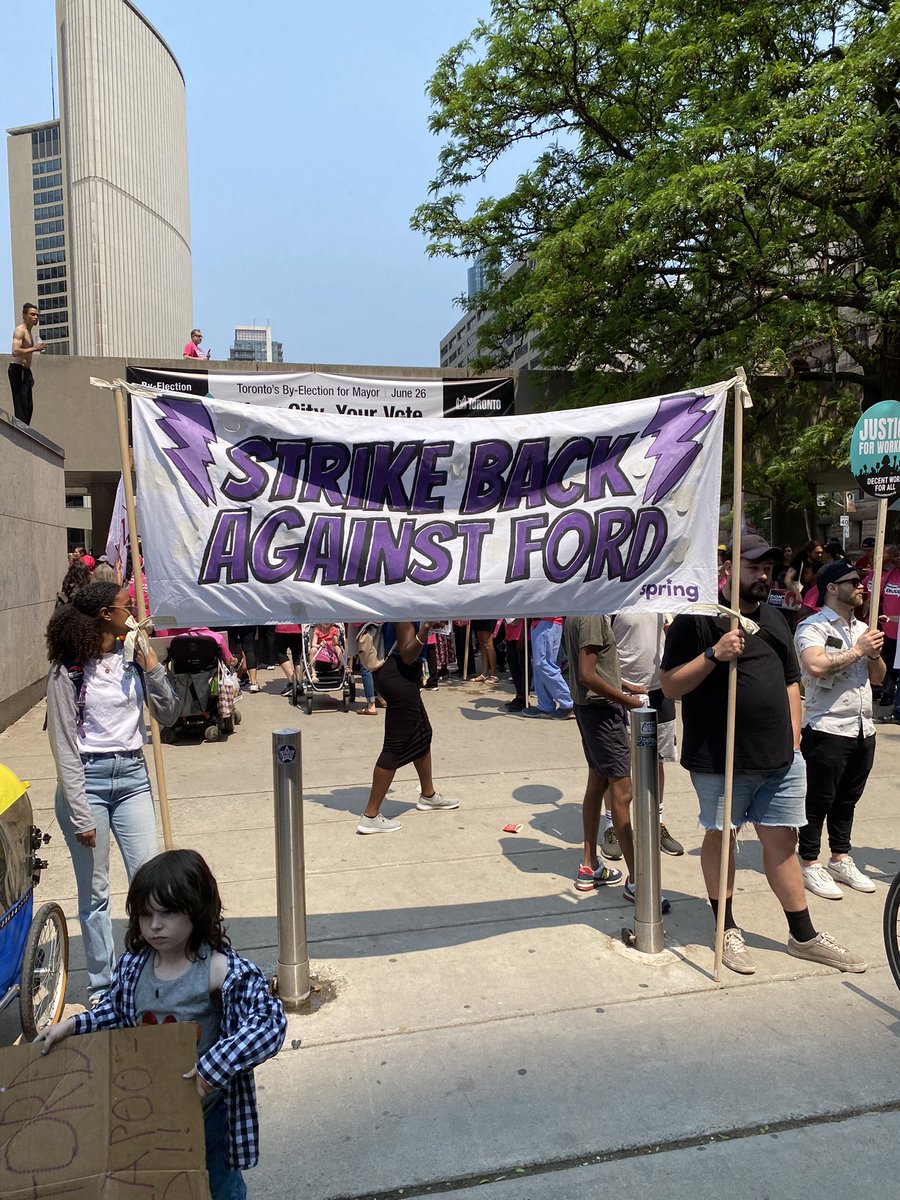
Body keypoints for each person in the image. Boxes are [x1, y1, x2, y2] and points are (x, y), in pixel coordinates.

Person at [660, 534, 866, 975]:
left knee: (783, 845)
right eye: (753, 567)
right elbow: (672, 685)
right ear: (729, 569)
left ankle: (803, 936)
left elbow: (793, 682)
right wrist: (715, 654)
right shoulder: (696, 621)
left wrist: (793, 739)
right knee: (723, 838)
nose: (763, 574)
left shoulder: (776, 617)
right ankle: (726, 928)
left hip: (780, 759)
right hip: (720, 758)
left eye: (768, 567)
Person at [35, 848, 287, 1200]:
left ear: (197, 911)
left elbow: (269, 1023)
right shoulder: (134, 966)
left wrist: (210, 1070)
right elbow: (117, 1013)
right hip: (145, 1111)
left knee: (220, 1190)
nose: (154, 925)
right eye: (145, 914)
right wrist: (74, 1026)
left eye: (167, 913)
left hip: (207, 1118)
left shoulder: (219, 970)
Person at [45, 582, 179, 1001]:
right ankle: (104, 985)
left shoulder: (133, 660)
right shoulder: (68, 671)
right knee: (96, 893)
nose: (134, 611)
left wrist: (154, 666)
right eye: (127, 606)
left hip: (133, 777)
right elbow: (64, 746)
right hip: (87, 782)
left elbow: (170, 714)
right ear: (106, 614)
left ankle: (150, 971)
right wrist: (81, 813)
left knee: (150, 882)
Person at [562, 614, 672, 910]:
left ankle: (589, 865)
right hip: (601, 712)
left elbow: (576, 666)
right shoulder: (592, 615)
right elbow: (586, 673)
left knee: (597, 782)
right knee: (622, 792)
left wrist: (626, 687)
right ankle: (639, 881)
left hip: (589, 708)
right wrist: (627, 702)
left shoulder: (574, 611)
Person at [795, 562, 884, 897]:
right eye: (853, 581)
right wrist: (858, 650)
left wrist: (872, 654)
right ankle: (809, 862)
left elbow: (877, 679)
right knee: (819, 799)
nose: (860, 586)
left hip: (863, 728)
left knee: (848, 799)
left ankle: (840, 857)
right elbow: (815, 665)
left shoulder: (863, 627)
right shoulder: (813, 627)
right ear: (832, 588)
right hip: (828, 727)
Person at [357, 621, 459, 833]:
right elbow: (408, 654)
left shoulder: (401, 607)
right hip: (398, 677)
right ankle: (371, 814)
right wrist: (427, 627)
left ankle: (428, 795)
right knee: (394, 746)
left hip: (398, 677)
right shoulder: (404, 612)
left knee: (423, 732)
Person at [609, 611, 685, 857]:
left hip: (658, 690)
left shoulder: (663, 597)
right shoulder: (614, 600)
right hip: (619, 690)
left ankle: (656, 821)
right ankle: (612, 825)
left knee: (658, 761)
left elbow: (672, 636)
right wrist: (620, 685)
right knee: (615, 766)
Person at [522, 616, 574, 718]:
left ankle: (568, 701)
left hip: (547, 622)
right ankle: (545, 705)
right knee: (540, 666)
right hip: (542, 622)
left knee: (543, 664)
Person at [8, 302, 44, 424]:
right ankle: (20, 432)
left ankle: (25, 432)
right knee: (21, 405)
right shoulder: (20, 331)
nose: (35, 317)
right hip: (17, 370)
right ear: (25, 315)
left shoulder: (30, 333)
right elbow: (15, 351)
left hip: (25, 372)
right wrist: (35, 348)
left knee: (28, 407)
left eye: (37, 315)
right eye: (32, 314)